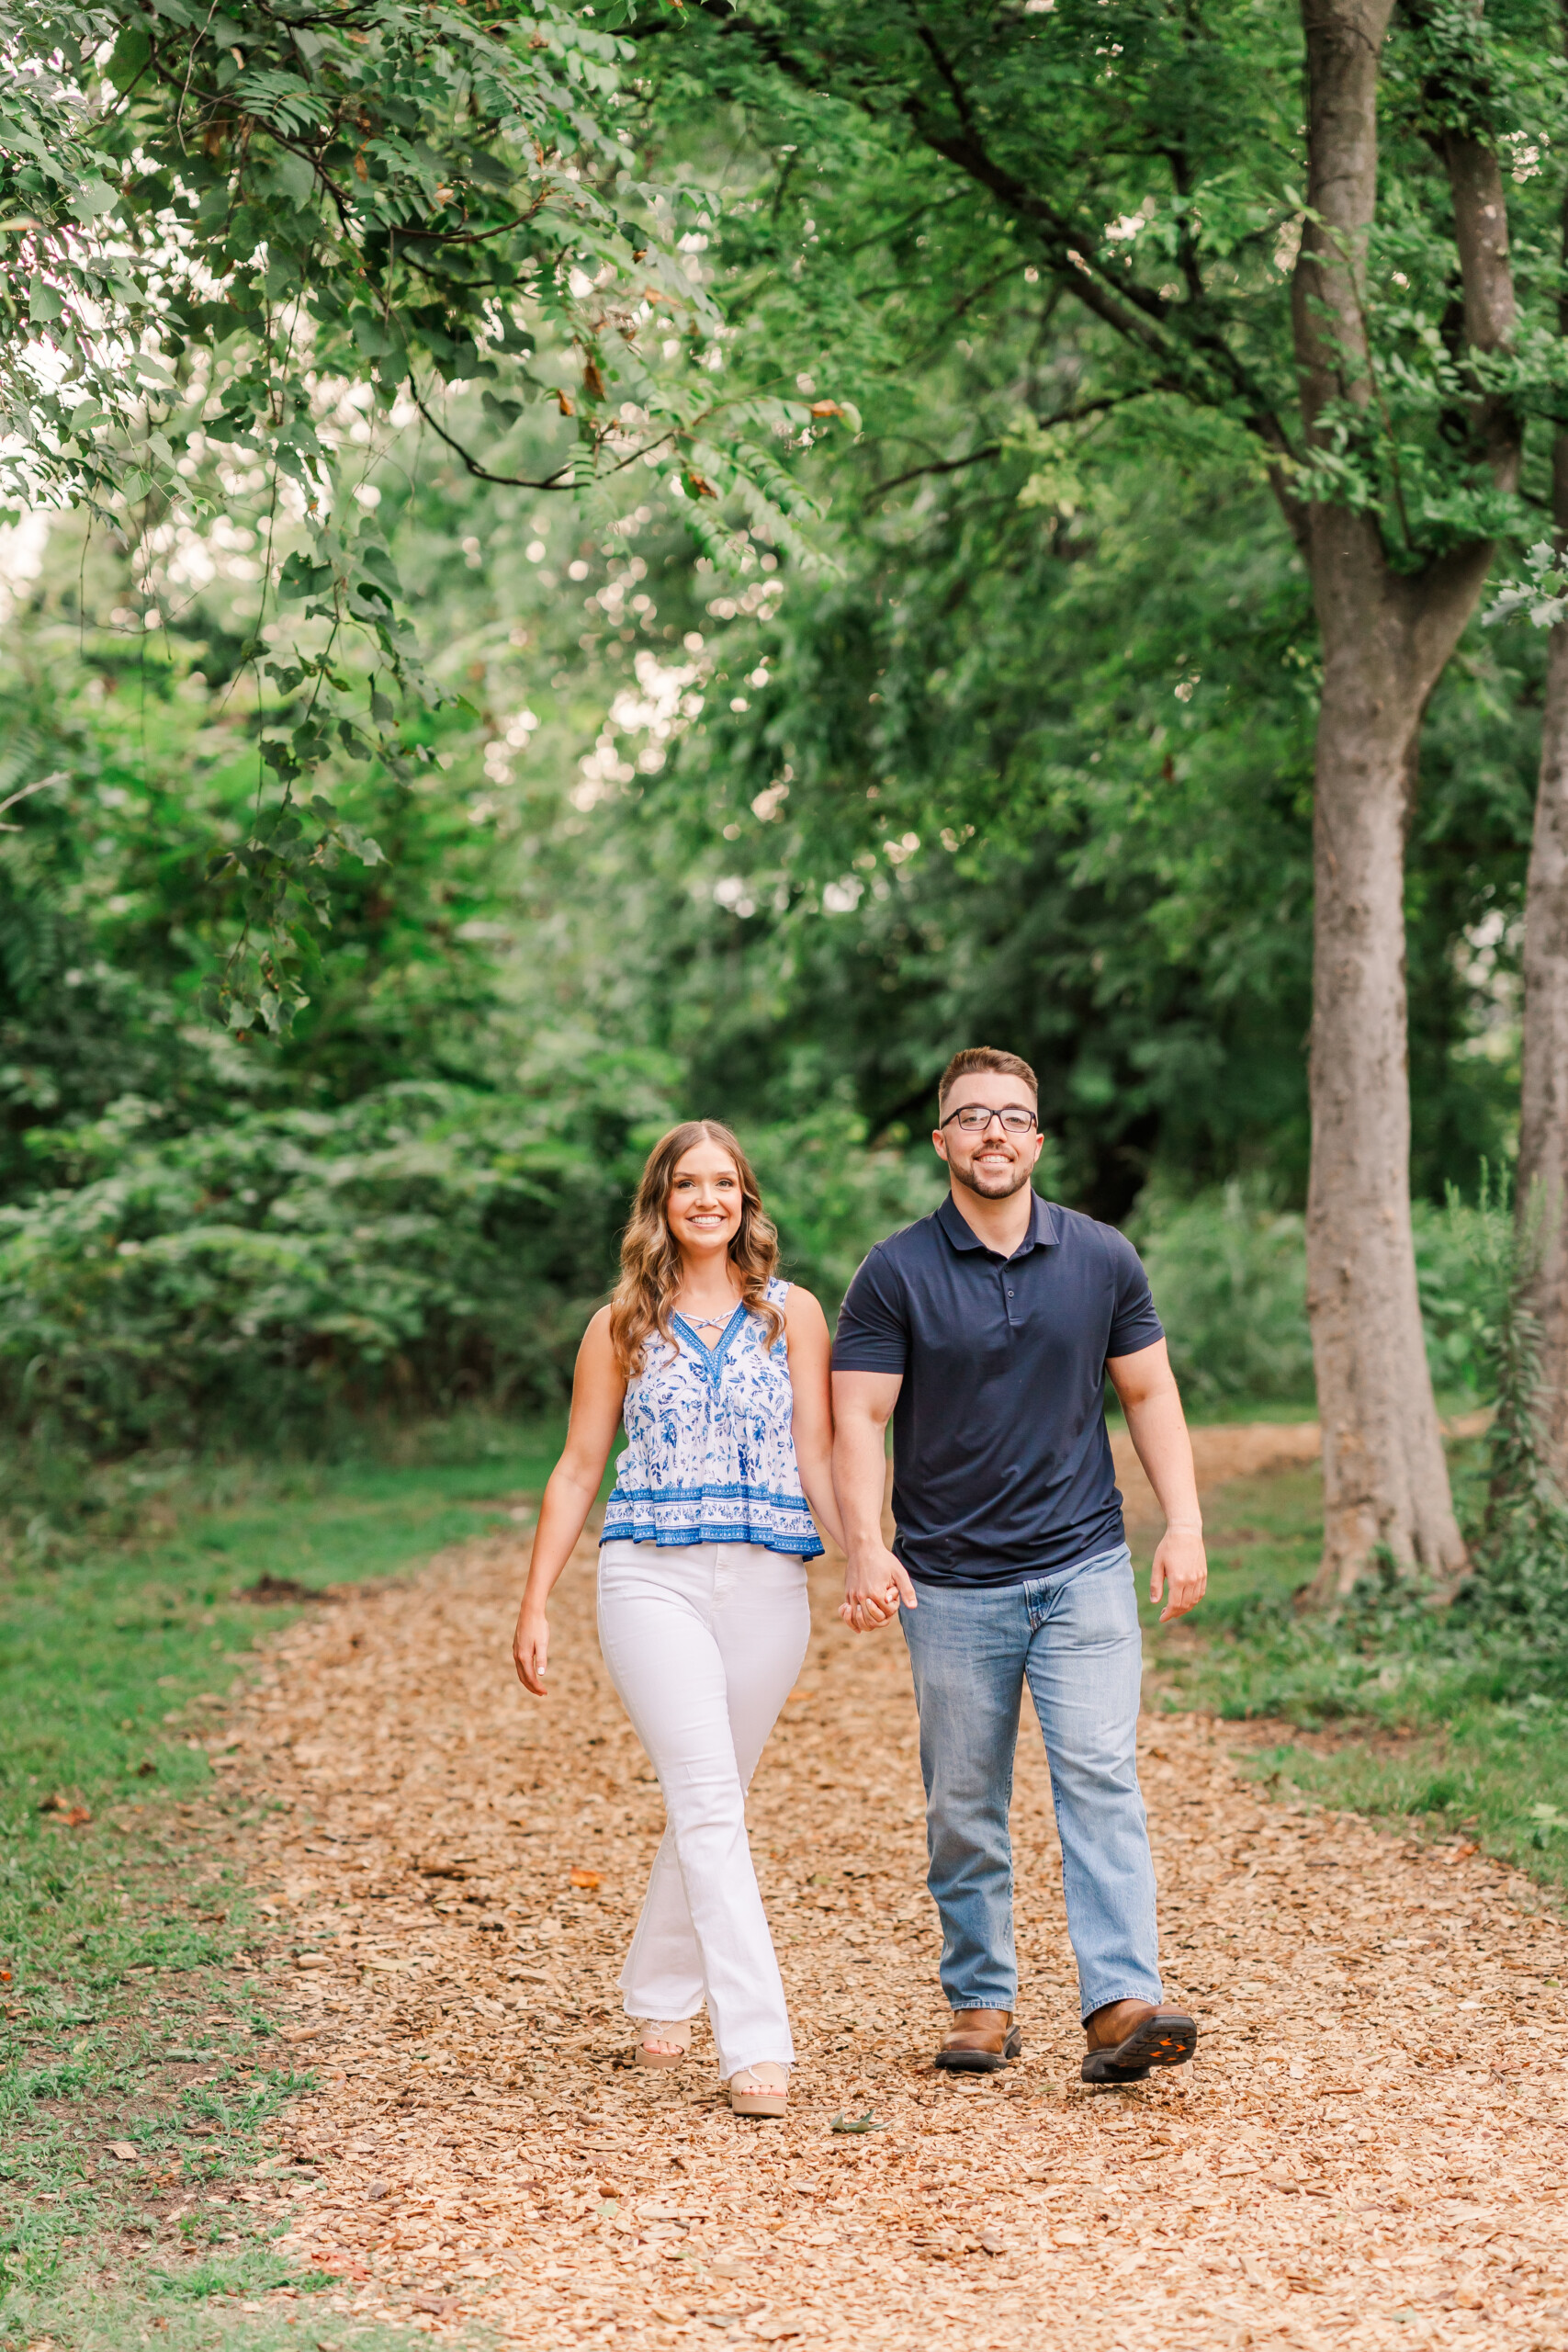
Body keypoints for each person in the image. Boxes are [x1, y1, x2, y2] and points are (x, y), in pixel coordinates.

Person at [829, 1046, 1207, 2084]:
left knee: (1098, 1773)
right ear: (943, 1139)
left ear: (1036, 1139)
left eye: (1012, 1116)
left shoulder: (1101, 1258)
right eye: (971, 1116)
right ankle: (981, 2000)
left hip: (1083, 1563)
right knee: (963, 1797)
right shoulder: (895, 1270)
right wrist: (867, 1541)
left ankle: (1121, 2002)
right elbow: (858, 1415)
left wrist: (1184, 1522)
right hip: (949, 1581)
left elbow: (1149, 1395)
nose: (993, 1132)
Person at [511, 1119, 841, 2120]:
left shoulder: (794, 1316)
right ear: (660, 1200)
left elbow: (819, 1451)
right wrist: (535, 1600)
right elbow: (577, 1468)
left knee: (716, 1796)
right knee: (706, 1800)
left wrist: (865, 1554)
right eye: (688, 1183)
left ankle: (658, 1993)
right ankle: (756, 2044)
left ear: (746, 1198)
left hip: (769, 1583)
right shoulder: (621, 1324)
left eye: (726, 1182)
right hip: (648, 1577)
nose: (709, 1198)